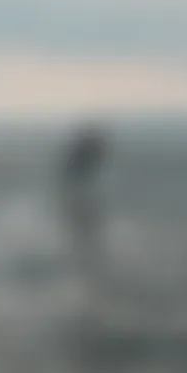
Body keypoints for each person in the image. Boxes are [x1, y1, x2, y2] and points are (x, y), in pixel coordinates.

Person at [58, 123, 110, 297]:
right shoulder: (87, 150)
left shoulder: (86, 150)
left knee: (79, 195)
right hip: (77, 185)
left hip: (78, 185)